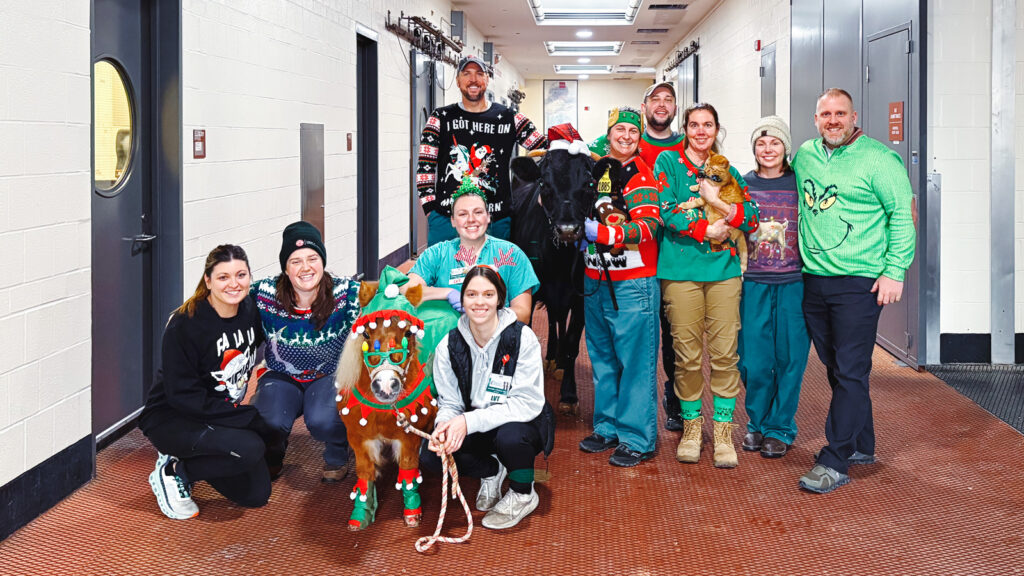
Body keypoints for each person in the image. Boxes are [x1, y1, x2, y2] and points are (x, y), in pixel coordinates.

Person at [794, 88, 916, 493]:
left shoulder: (880, 160)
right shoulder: (806, 154)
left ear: (853, 116)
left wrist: (895, 270)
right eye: (825, 114)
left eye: (840, 113)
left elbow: (903, 214)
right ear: (816, 119)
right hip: (814, 279)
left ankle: (836, 458)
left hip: (859, 283)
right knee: (836, 367)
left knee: (850, 369)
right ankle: (863, 444)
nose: (833, 120)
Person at [655, 102, 760, 469]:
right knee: (686, 356)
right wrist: (705, 228)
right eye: (695, 125)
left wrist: (720, 206)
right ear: (685, 128)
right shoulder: (667, 162)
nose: (701, 131)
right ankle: (691, 429)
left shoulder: (726, 168)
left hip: (724, 273)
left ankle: (724, 431)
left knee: (725, 355)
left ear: (717, 130)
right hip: (680, 271)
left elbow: (753, 215)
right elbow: (664, 210)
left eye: (708, 125)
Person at [140, 244, 272, 519]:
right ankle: (175, 472)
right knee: (250, 447)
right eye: (223, 277)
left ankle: (191, 458)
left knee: (256, 495)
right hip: (173, 417)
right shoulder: (185, 325)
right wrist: (243, 417)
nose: (234, 284)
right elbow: (183, 397)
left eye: (241, 275)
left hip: (215, 412)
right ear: (208, 281)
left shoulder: (249, 311)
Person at [423, 265, 551, 530]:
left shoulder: (521, 338)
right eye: (471, 295)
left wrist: (468, 422)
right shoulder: (448, 346)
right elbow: (449, 402)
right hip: (474, 421)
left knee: (512, 438)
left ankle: (522, 492)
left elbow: (526, 403)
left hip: (521, 422)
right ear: (463, 299)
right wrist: (444, 427)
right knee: (430, 455)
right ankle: (491, 471)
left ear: (499, 299)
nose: (479, 302)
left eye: (488, 295)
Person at [577, 106, 662, 467]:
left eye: (632, 130)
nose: (626, 136)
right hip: (595, 280)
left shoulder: (640, 176)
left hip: (633, 284)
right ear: (608, 133)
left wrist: (606, 233)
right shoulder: (596, 174)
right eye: (620, 130)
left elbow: (650, 227)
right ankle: (608, 426)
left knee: (635, 364)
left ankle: (637, 438)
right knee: (603, 360)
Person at [250, 221, 361, 483]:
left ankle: (337, 451)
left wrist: (443, 293)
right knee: (269, 420)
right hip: (281, 374)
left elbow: (389, 293)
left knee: (323, 419)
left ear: (322, 261)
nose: (306, 267)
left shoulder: (346, 293)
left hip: (328, 374)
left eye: (312, 258)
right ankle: (273, 452)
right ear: (285, 269)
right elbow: (227, 298)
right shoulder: (264, 294)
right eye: (296, 261)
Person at [736, 116, 810, 459]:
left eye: (775, 143)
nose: (768, 149)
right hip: (753, 283)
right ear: (754, 149)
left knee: (790, 357)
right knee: (752, 360)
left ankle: (780, 428)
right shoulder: (742, 185)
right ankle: (758, 424)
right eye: (761, 143)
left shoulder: (800, 183)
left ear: (786, 148)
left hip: (795, 282)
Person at [416, 56, 547, 246]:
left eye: (479, 74)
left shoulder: (510, 117)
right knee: (443, 275)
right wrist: (431, 211)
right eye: (466, 74)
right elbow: (425, 168)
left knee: (495, 275)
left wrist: (569, 142)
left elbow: (543, 149)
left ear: (487, 79)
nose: (473, 80)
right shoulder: (440, 118)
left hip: (496, 220)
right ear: (458, 80)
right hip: (447, 220)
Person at [406, 177, 539, 324]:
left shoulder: (512, 254)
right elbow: (408, 289)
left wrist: (484, 313)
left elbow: (524, 313)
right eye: (462, 214)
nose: (471, 219)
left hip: (496, 341)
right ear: (453, 220)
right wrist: (447, 293)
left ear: (488, 217)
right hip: (449, 340)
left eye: (478, 212)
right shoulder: (437, 253)